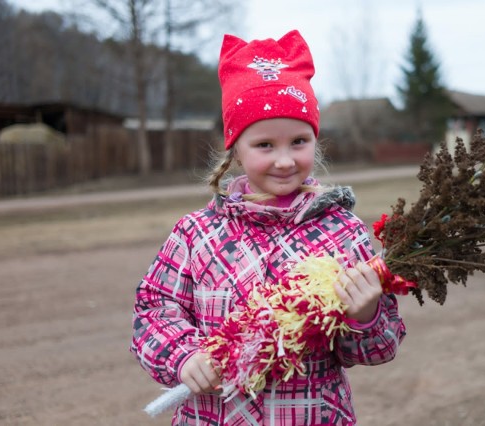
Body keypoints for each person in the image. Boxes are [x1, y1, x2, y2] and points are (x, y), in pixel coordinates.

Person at [131, 29, 406, 425]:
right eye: (264, 145)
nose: (284, 161)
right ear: (236, 150)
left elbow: (377, 348)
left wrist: (366, 315)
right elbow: (154, 309)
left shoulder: (342, 232)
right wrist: (184, 355)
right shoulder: (197, 233)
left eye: (298, 141)